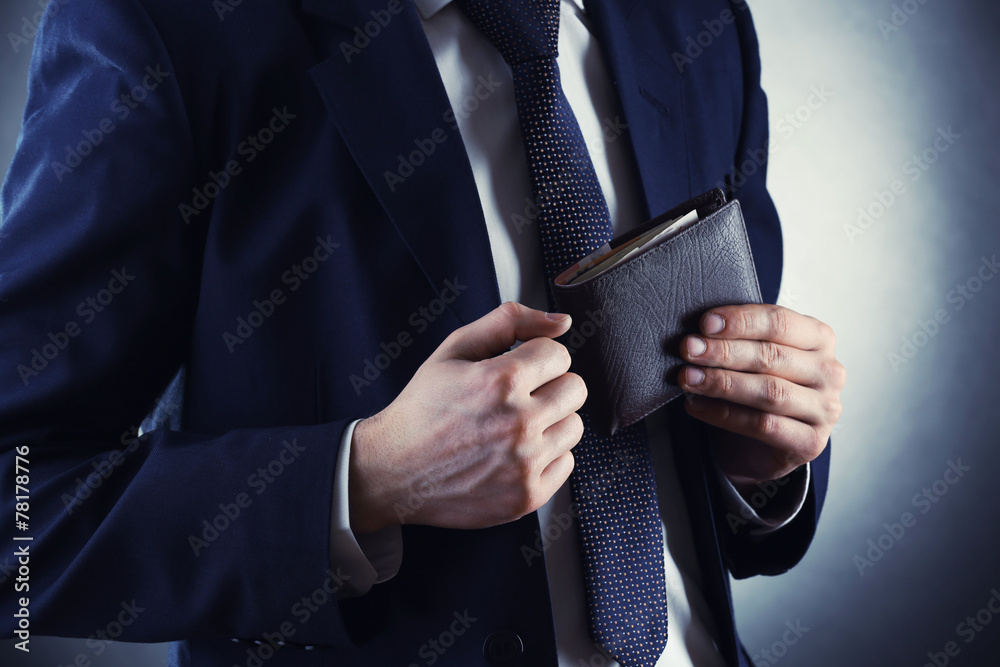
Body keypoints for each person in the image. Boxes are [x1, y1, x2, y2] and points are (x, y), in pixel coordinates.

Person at [0, 0, 842, 665]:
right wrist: (360, 481)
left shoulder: (700, 22)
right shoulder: (165, 24)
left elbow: (734, 458)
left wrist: (762, 464)